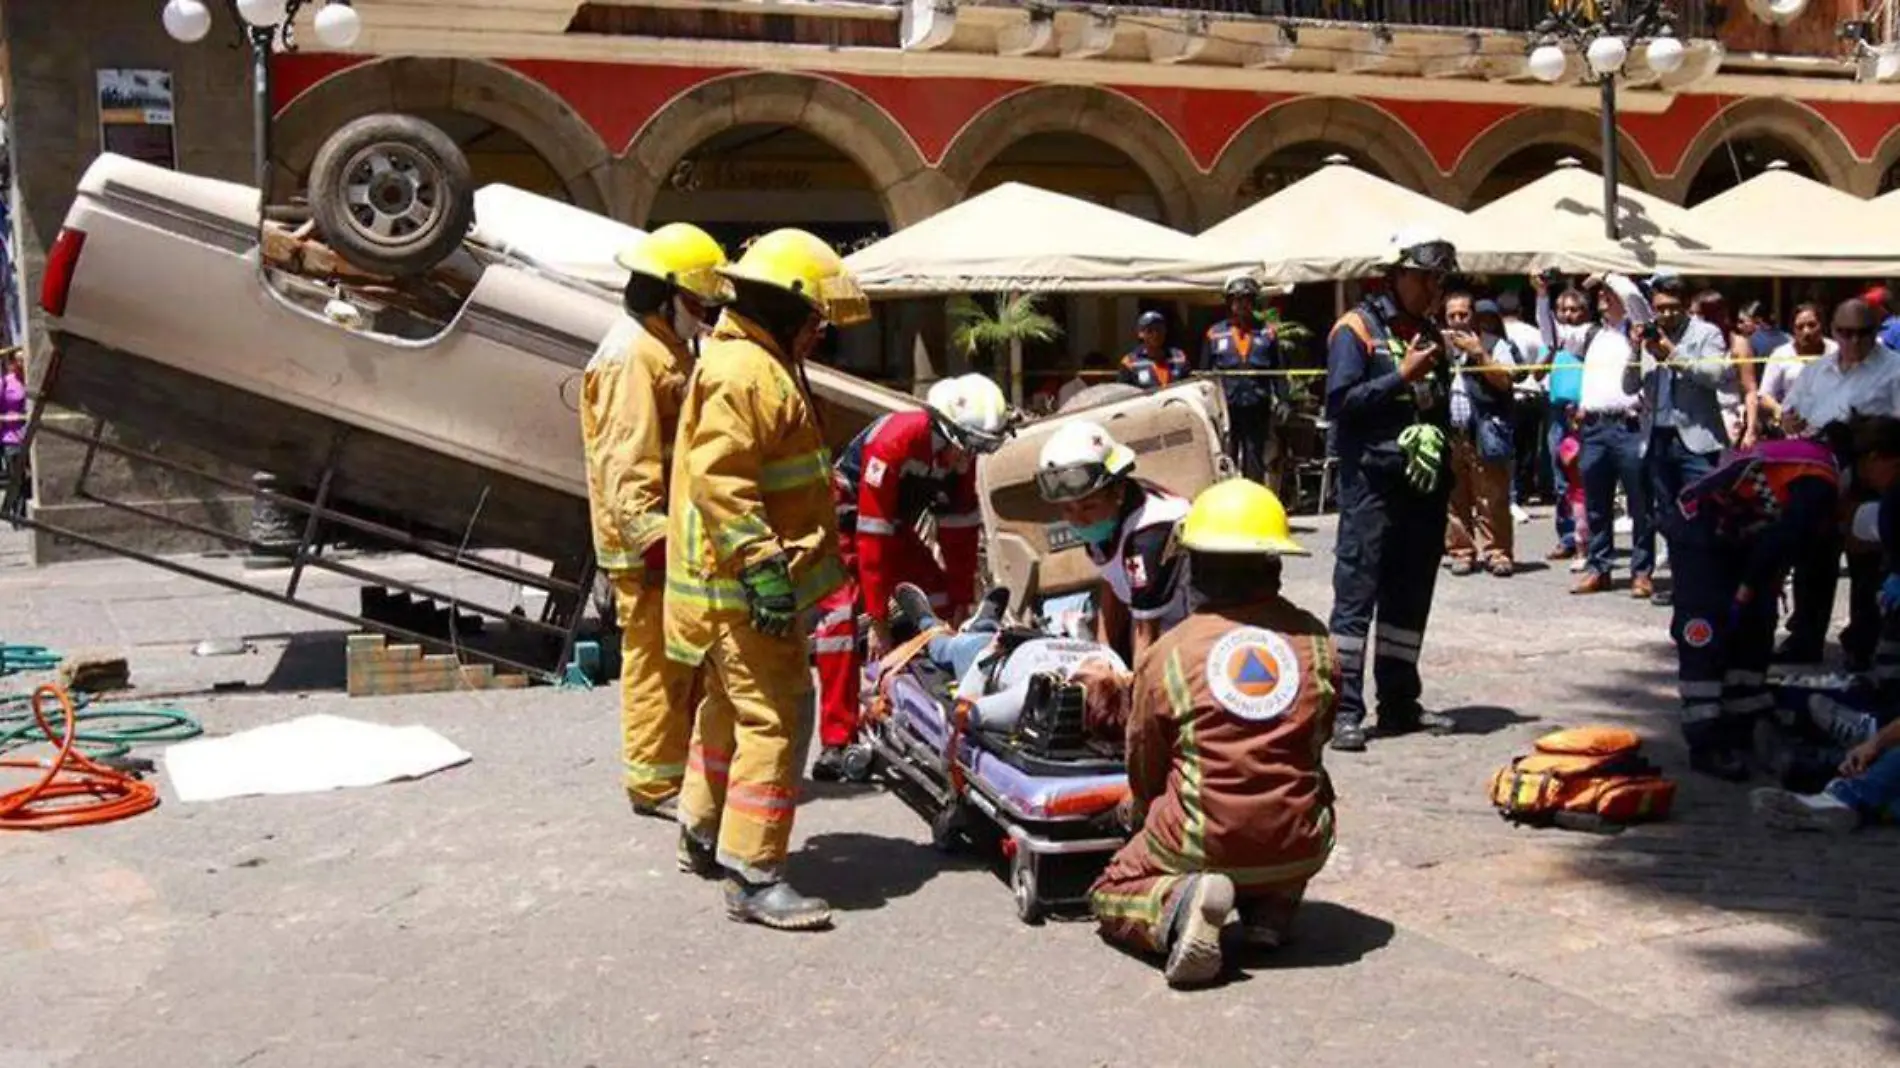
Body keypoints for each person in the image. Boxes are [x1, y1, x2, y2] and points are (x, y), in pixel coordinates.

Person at [664, 228, 865, 931]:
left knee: (725, 711)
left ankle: (699, 829)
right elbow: (724, 482)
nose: (819, 332)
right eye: (814, 318)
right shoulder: (746, 372)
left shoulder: (751, 362)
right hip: (744, 591)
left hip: (725, 592)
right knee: (776, 719)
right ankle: (753, 873)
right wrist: (764, 570)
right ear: (787, 305)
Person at [1089, 479, 1335, 988]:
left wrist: (1142, 813)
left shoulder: (1169, 653)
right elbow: (1316, 740)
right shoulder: (1315, 641)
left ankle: (1181, 906)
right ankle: (1272, 907)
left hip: (1198, 841)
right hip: (1301, 843)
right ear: (1276, 565)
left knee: (1112, 888)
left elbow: (1145, 764)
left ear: (1195, 569)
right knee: (1310, 783)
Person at [582, 224, 732, 819]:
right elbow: (628, 458)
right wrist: (651, 542)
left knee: (678, 663)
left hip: (670, 539)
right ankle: (652, 784)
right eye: (698, 303)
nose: (704, 315)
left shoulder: (658, 344)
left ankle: (675, 769)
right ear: (665, 293)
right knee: (654, 664)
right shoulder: (632, 356)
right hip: (645, 545)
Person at [810, 373, 1010, 781]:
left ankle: (927, 708)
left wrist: (958, 603)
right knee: (840, 621)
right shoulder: (895, 442)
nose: (969, 459)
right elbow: (871, 538)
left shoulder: (960, 456)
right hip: (845, 523)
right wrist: (880, 623)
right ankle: (837, 739)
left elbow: (959, 531)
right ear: (944, 430)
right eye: (967, 448)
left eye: (979, 449)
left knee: (933, 603)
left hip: (892, 525)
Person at [1324, 228, 1459, 752]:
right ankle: (1345, 711)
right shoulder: (1354, 329)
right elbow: (1340, 405)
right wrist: (1400, 377)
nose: (1434, 288)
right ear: (1396, 275)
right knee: (1357, 596)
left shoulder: (1428, 331)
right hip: (1371, 487)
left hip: (1420, 489)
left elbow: (1438, 401)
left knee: (1409, 596)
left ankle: (1400, 703)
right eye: (1425, 277)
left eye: (1438, 279)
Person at [1668, 433, 1842, 781]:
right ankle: (1705, 739)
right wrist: (1749, 587)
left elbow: (1780, 539)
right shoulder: (1820, 479)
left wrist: (1757, 590)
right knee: (1705, 627)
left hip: (1740, 531)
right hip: (1703, 527)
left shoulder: (1817, 467)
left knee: (1755, 625)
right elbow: (1783, 538)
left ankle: (1745, 721)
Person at [1779, 299, 1900, 668]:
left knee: (1867, 562)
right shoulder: (1816, 371)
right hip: (1818, 467)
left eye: (1863, 333)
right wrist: (1791, 422)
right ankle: (1805, 636)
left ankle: (1863, 641)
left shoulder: (1894, 370)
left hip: (1868, 471)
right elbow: (1789, 411)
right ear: (1834, 332)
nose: (1854, 341)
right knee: (1813, 559)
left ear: (1875, 332)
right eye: (1846, 333)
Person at [1034, 420, 1189, 665]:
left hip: (1185, 637)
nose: (1079, 520)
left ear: (1117, 491)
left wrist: (1132, 691)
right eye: (1067, 509)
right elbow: (1112, 583)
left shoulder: (1149, 535)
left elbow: (1146, 633)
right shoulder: (1108, 519)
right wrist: (1102, 657)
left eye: (1088, 506)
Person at [1646, 278, 1735, 609]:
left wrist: (1674, 354)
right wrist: (1636, 350)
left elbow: (1715, 375)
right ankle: (1682, 585)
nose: (1666, 313)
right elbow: (1630, 385)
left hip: (1697, 439)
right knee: (1670, 519)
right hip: (1659, 436)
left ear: (1684, 305)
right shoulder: (1648, 335)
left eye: (1672, 306)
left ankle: (1710, 585)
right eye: (1660, 308)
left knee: (1704, 516)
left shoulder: (1706, 333)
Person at [1569, 274, 1656, 598]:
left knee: (1640, 503)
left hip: (1628, 426)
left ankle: (1641, 571)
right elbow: (1552, 332)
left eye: (1609, 292)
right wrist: (1542, 295)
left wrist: (1608, 275)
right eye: (1602, 293)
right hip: (1593, 428)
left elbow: (1634, 297)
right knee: (1596, 504)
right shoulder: (1593, 334)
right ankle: (1599, 567)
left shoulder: (1637, 328)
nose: (1603, 296)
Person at [1441, 293, 1519, 578]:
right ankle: (1461, 551)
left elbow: (1505, 380)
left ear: (1473, 315)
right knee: (1454, 498)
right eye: (1452, 316)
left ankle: (1497, 552)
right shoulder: (1441, 346)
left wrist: (1479, 354)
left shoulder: (1494, 344)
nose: (1458, 321)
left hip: (1484, 430)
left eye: (1463, 314)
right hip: (1452, 432)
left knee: (1492, 497)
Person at [1202, 273, 1280, 483]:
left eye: (1246, 299)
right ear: (1229, 302)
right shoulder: (1215, 334)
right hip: (1226, 406)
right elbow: (1204, 374)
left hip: (1257, 404)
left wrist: (1284, 400)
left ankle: (1253, 496)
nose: (1241, 305)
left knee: (1255, 454)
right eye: (1236, 299)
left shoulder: (1268, 333)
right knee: (1226, 454)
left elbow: (1278, 371)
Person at [1535, 278, 1591, 562]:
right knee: (1560, 475)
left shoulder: (1586, 337)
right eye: (1562, 309)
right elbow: (1546, 327)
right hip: (1557, 411)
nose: (1568, 315)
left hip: (1582, 411)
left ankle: (1588, 535)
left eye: (1574, 309)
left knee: (1583, 476)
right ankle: (1566, 536)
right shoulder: (1554, 341)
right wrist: (1542, 295)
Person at [1757, 303, 1834, 436]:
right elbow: (1764, 395)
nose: (1806, 332)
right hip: (1794, 433)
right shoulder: (1781, 355)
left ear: (1822, 325)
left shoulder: (1836, 351)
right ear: (1793, 330)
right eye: (1800, 327)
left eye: (1812, 325)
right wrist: (1781, 412)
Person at [1120, 311, 1191, 391]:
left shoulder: (1179, 358)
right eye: (1150, 330)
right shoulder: (1130, 362)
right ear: (1141, 334)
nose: (1155, 334)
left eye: (1159, 329)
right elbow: (1124, 395)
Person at [1, 348, 26, 522]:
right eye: (19, 360)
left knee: (28, 479)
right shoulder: (5, 383)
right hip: (11, 437)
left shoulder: (31, 381)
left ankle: (21, 512)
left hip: (29, 434)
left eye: (25, 360)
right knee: (16, 477)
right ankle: (15, 513)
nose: (22, 364)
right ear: (13, 363)